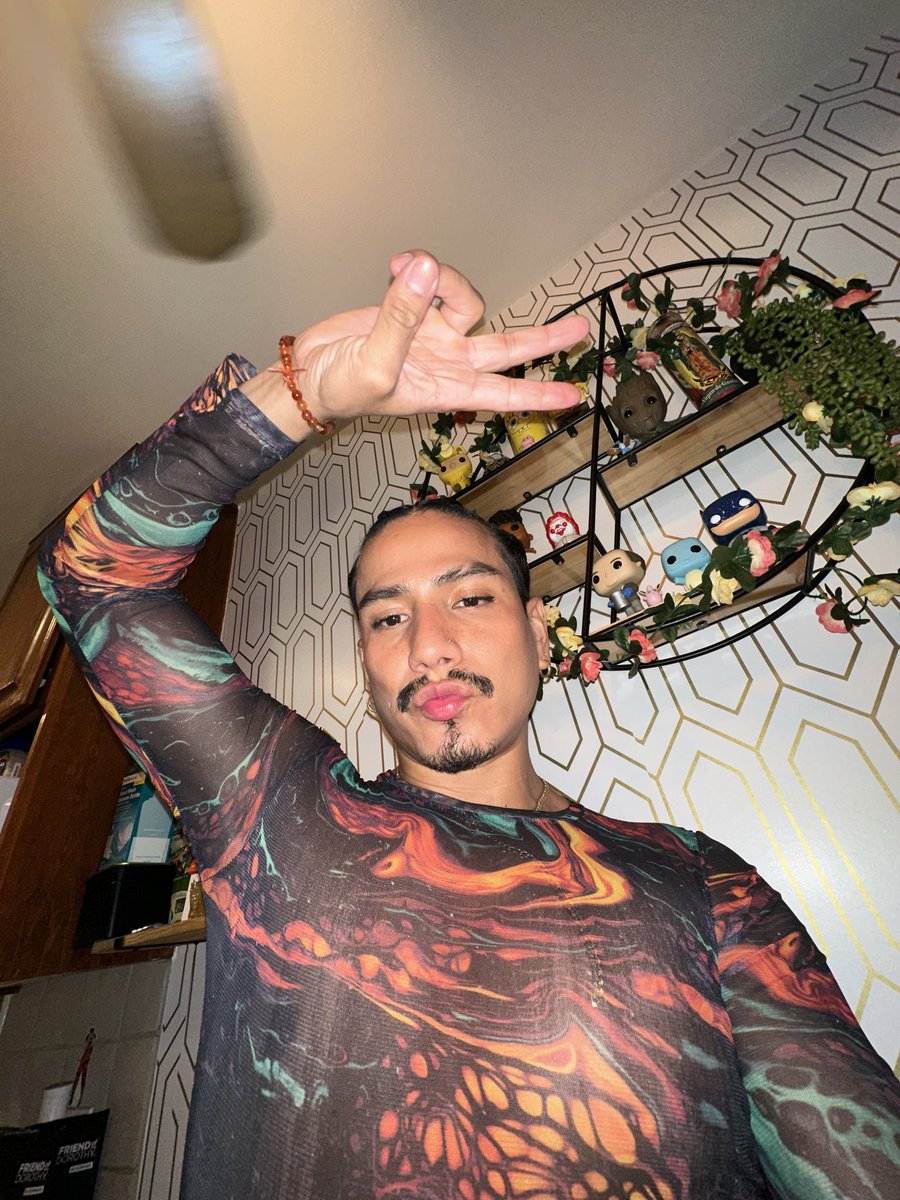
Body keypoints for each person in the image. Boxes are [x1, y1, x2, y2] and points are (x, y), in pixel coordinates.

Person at [40, 252, 898, 1199]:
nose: (430, 646)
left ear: (538, 629)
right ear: (365, 660)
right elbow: (94, 578)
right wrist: (301, 394)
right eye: (388, 618)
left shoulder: (700, 880)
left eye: (471, 597)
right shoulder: (279, 811)